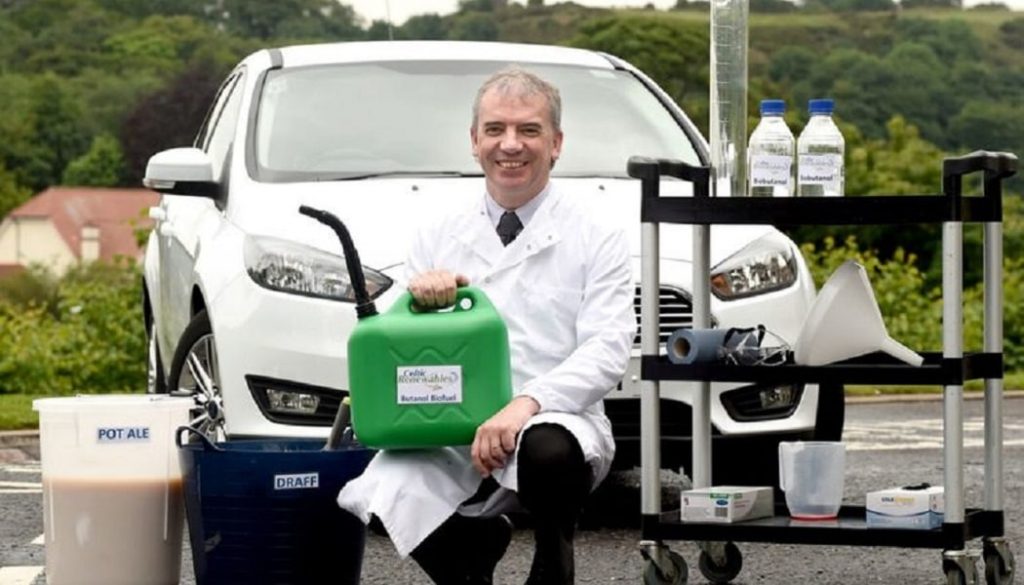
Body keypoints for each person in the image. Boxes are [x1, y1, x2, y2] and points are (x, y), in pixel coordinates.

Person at [337, 65, 635, 585]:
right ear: (474, 142)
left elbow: (607, 351)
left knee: (547, 449)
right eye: (495, 130)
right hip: (451, 421)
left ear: (557, 142)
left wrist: (525, 405)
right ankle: (470, 552)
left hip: (553, 417)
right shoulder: (436, 234)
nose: (511, 145)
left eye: (529, 130)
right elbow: (404, 358)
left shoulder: (597, 235)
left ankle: (553, 555)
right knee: (380, 490)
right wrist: (422, 305)